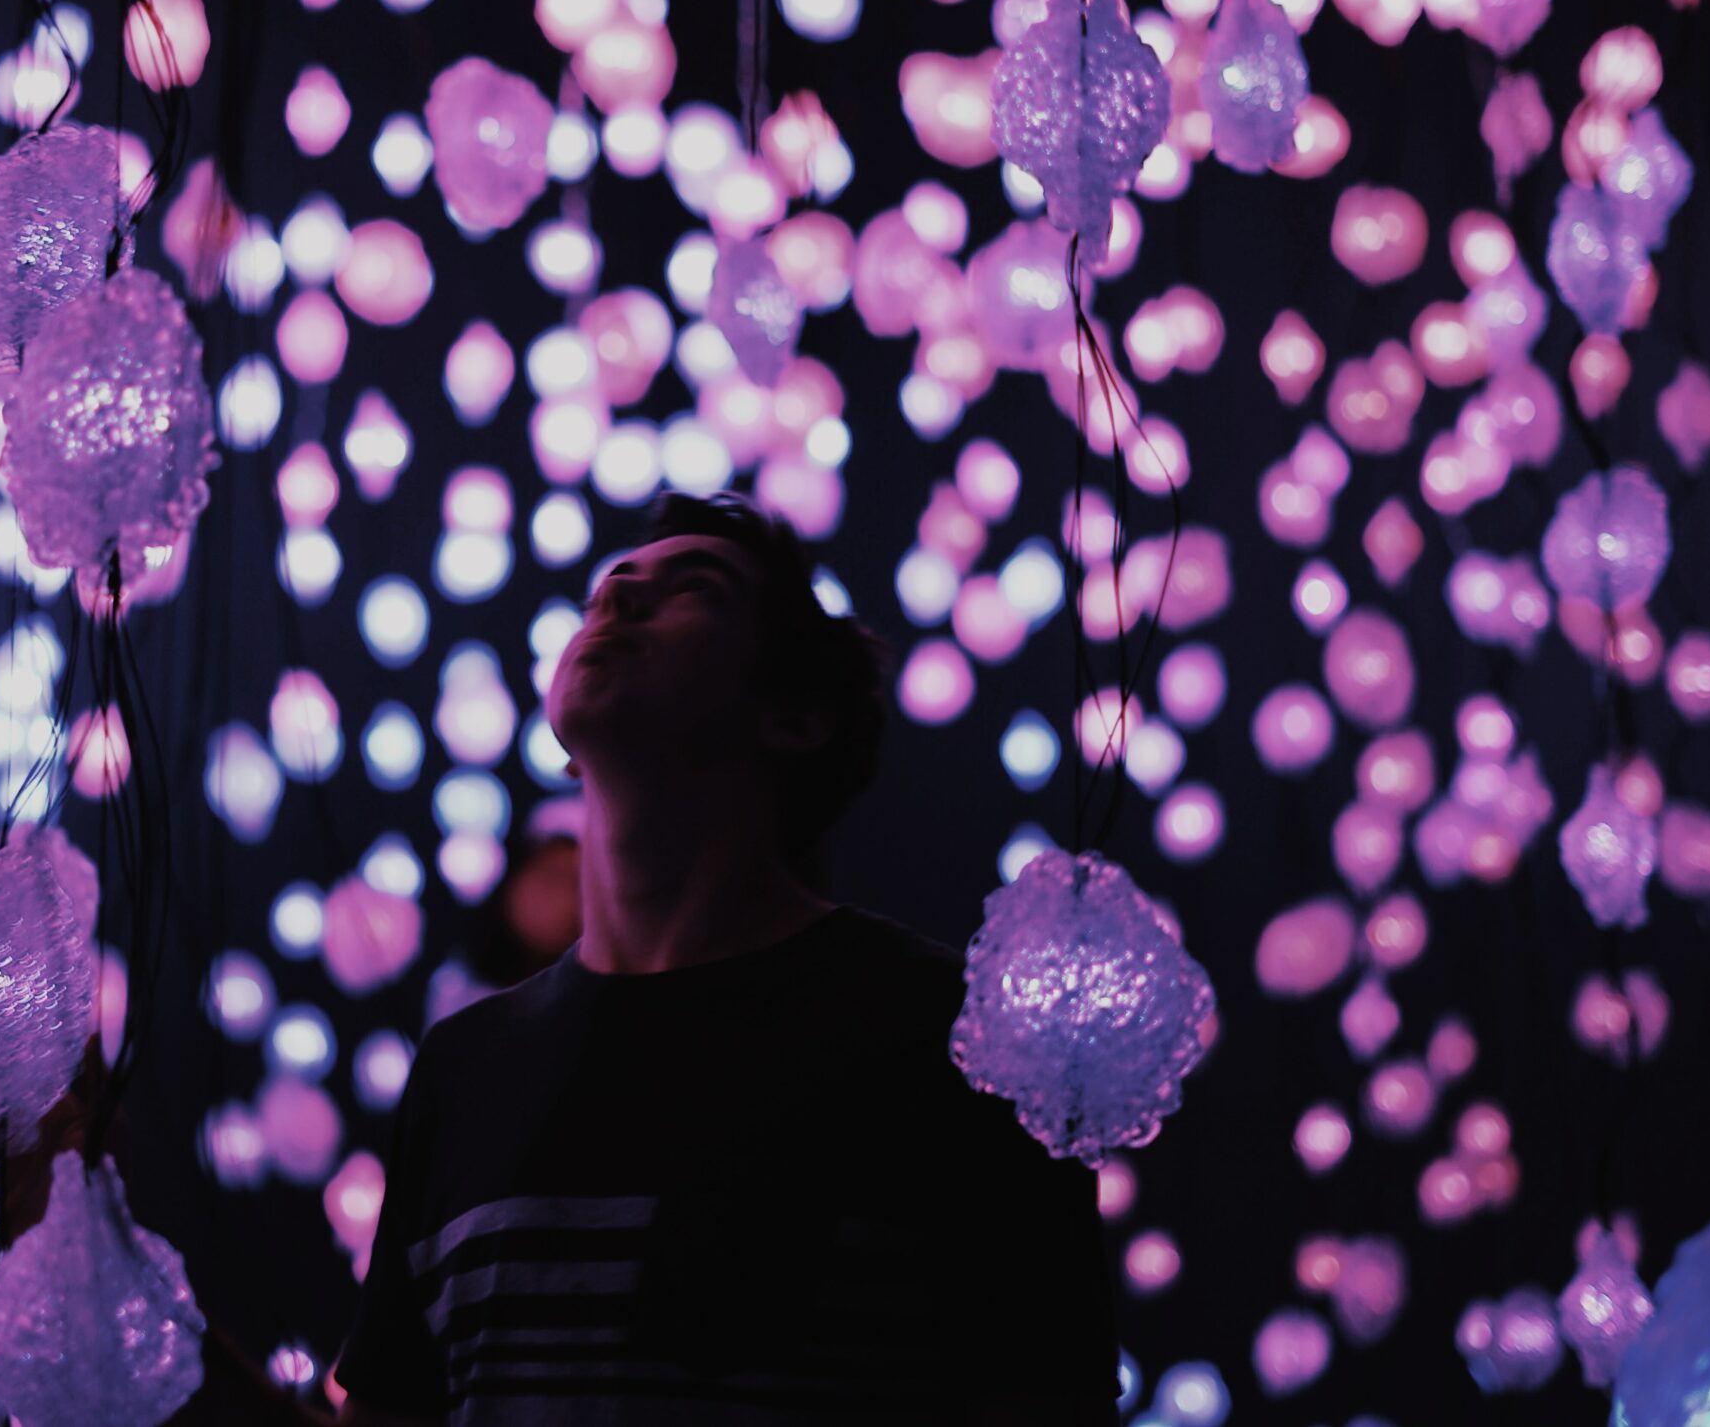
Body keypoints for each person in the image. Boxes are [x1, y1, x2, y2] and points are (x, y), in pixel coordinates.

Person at [323, 491, 1118, 1425]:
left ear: (796, 717)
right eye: (608, 589)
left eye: (693, 587)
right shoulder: (462, 1072)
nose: (617, 601)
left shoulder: (963, 1041)